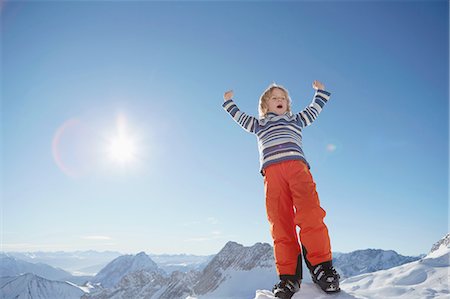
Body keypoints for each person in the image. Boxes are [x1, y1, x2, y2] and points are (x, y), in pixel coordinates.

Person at [222, 81, 340, 298]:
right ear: (265, 105)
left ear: (288, 104)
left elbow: (314, 111)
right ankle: (288, 278)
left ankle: (322, 269)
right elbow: (240, 118)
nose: (279, 100)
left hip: (297, 169)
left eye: (283, 98)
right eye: (274, 98)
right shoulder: (259, 124)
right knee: (280, 223)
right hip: (272, 175)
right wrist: (229, 103)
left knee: (310, 214)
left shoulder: (295, 120)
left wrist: (320, 93)